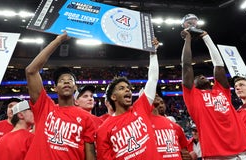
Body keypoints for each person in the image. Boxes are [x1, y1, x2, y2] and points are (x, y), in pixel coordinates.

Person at [180, 28, 246, 159]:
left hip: (241, 153)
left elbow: (219, 65)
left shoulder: (221, 90)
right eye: (197, 76)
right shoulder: (193, 96)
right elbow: (186, 65)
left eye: (203, 74)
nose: (201, 75)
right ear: (192, 84)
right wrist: (187, 39)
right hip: (216, 155)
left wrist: (206, 37)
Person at [24, 32, 96, 160]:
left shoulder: (87, 118)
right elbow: (31, 71)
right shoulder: (45, 108)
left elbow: (90, 155)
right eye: (62, 80)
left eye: (70, 80)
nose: (66, 81)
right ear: (55, 88)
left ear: (75, 88)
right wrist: (58, 40)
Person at [96, 38, 161, 160]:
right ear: (113, 97)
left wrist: (153, 53)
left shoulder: (141, 107)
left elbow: (153, 79)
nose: (127, 90)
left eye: (128, 88)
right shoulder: (103, 130)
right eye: (121, 88)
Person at [152, 94, 191, 160]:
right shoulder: (144, 124)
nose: (161, 105)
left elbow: (185, 151)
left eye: (162, 103)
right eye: (157, 104)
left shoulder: (174, 124)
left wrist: (187, 156)